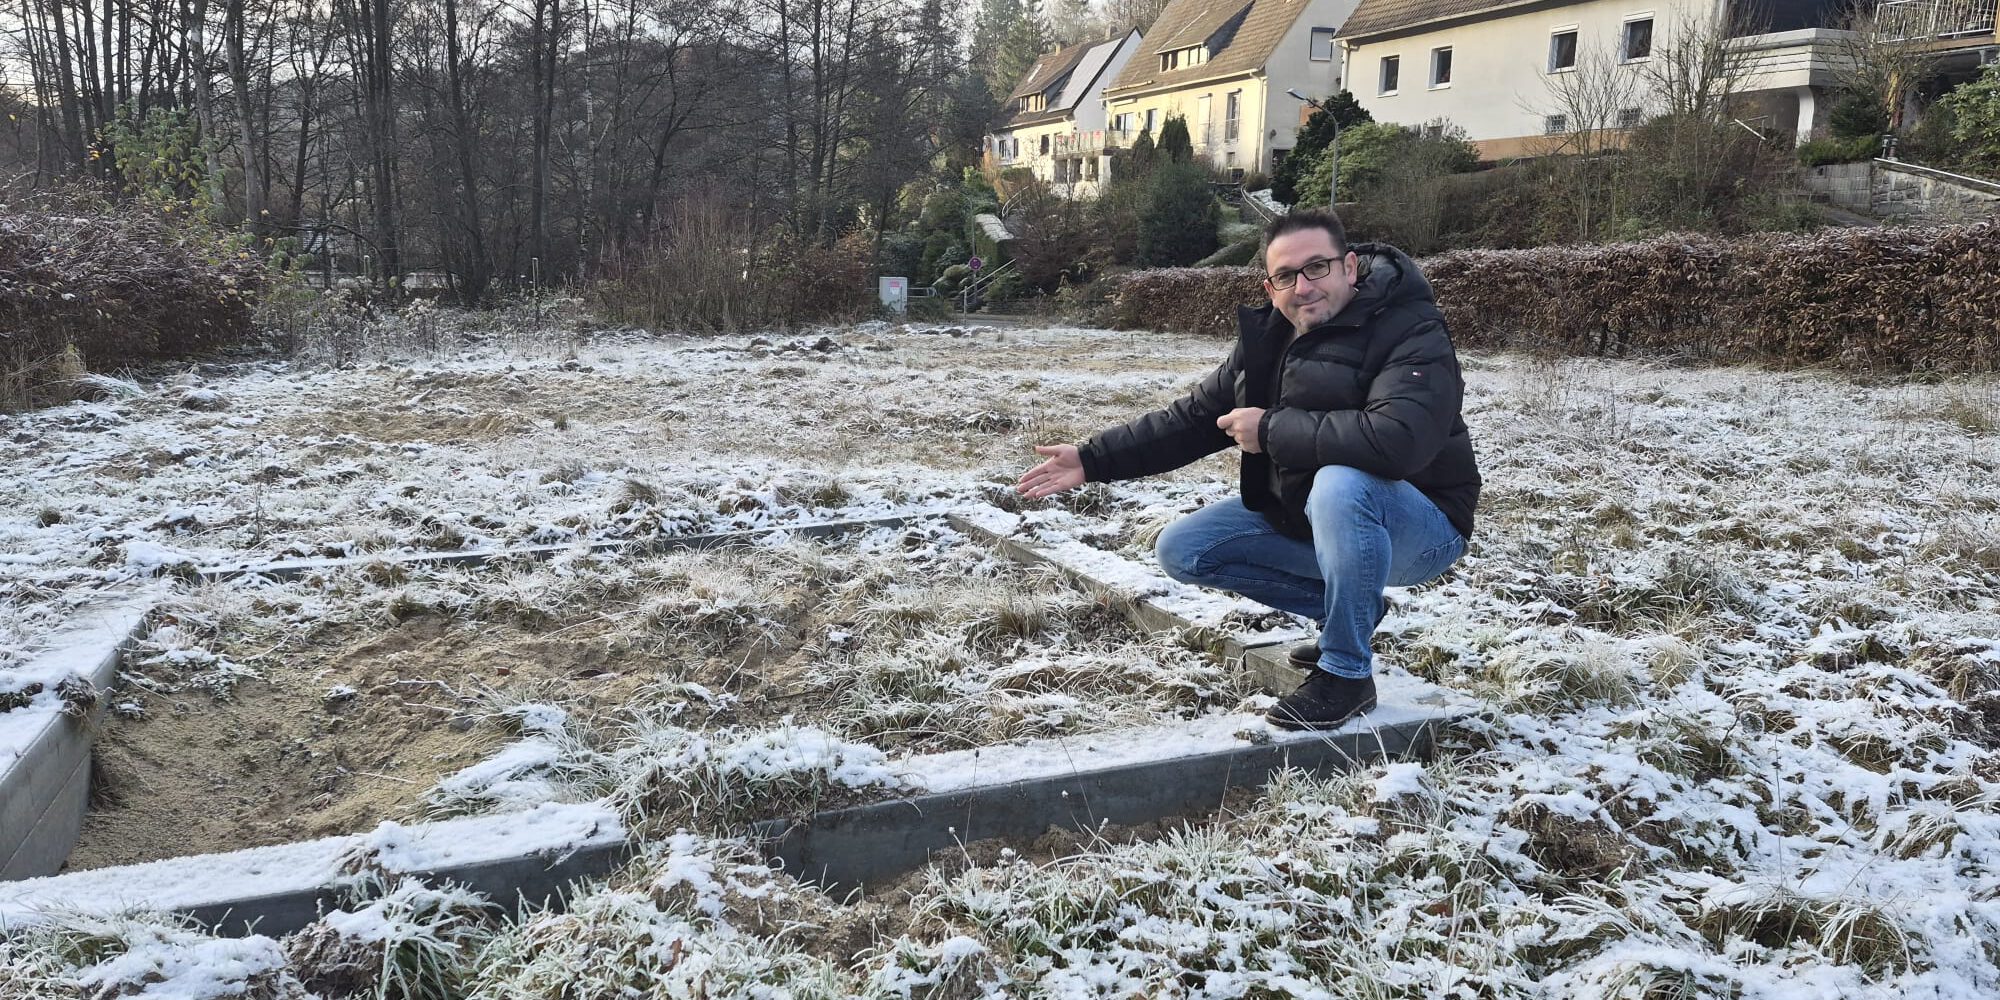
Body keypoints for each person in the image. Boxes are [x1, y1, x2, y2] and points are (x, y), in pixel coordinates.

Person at [1015, 210, 1480, 730]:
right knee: (1184, 548)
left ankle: (1347, 672)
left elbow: (1399, 442)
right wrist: (1092, 458)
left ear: (1350, 267)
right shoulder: (1268, 340)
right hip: (1313, 514)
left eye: (1317, 267)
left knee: (1342, 480)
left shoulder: (1412, 329)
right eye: (1286, 276)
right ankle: (1351, 612)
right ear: (1270, 285)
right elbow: (1193, 420)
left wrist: (1271, 429)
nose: (1303, 287)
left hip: (1424, 527)